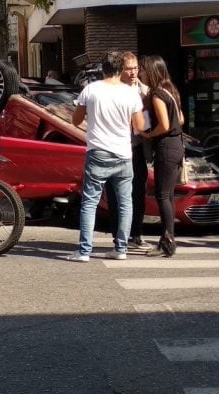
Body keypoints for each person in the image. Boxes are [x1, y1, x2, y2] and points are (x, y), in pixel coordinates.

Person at [64, 51, 145, 262]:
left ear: (103, 69)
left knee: (90, 202)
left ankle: (84, 251)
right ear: (120, 70)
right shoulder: (131, 93)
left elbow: (75, 120)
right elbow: (140, 126)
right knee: (125, 202)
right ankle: (121, 249)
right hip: (123, 154)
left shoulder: (90, 90)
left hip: (97, 152)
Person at [105, 51, 153, 251]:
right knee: (116, 194)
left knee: (137, 192)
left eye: (135, 68)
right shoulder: (114, 91)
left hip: (138, 148)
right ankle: (118, 235)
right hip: (116, 148)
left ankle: (137, 233)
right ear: (120, 70)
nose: (133, 73)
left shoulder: (146, 91)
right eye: (128, 69)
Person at [139, 55, 185, 257]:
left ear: (151, 71)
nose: (140, 74)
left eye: (142, 70)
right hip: (177, 145)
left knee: (163, 195)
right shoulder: (170, 90)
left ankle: (167, 242)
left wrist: (148, 134)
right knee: (168, 195)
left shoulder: (157, 94)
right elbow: (180, 119)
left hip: (166, 147)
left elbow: (164, 125)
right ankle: (168, 239)